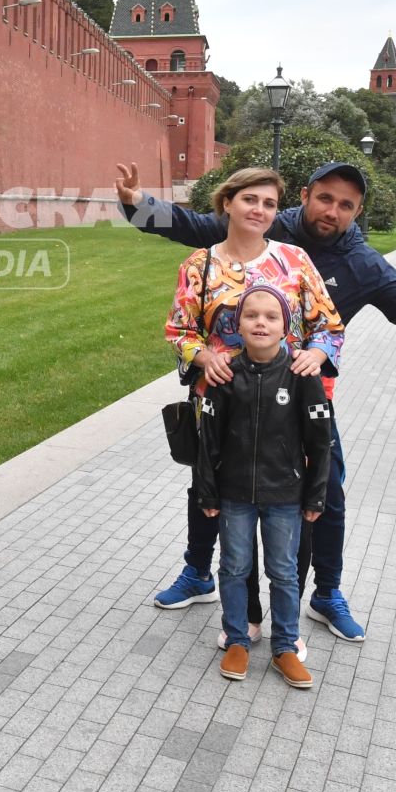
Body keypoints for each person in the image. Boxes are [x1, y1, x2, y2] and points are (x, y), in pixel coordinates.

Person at [117, 159, 396, 643]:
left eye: (346, 205)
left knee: (326, 493)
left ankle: (326, 593)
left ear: (357, 211)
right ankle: (199, 572)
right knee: (210, 483)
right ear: (305, 195)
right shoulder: (265, 220)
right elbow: (190, 227)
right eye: (325, 198)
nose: (333, 211)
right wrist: (137, 205)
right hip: (226, 393)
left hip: (297, 401)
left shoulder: (359, 262)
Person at [161, 167, 342, 653]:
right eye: (249, 200)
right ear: (228, 203)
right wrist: (206, 356)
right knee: (217, 495)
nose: (259, 210)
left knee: (289, 508)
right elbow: (180, 331)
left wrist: (317, 353)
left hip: (287, 405)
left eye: (268, 202)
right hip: (221, 401)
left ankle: (288, 620)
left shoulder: (294, 261)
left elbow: (329, 326)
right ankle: (238, 611)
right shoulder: (199, 265)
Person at [192, 285, 330, 688]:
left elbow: (320, 441)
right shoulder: (224, 374)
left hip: (285, 495)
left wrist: (316, 493)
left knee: (284, 572)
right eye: (252, 315)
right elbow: (208, 441)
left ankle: (285, 646)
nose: (261, 323)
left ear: (286, 327)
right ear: (238, 325)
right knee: (234, 567)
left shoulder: (303, 375)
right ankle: (237, 638)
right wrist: (208, 491)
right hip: (234, 494)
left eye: (271, 317)